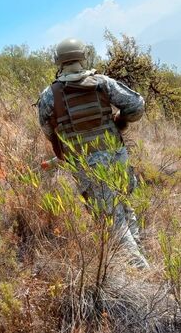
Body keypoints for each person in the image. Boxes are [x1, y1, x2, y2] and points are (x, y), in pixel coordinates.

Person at [37, 38, 149, 269]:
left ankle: (140, 269)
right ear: (82, 56)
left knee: (111, 219)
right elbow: (136, 105)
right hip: (117, 155)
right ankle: (137, 246)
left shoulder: (50, 95)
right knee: (123, 204)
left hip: (88, 166)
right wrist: (121, 121)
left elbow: (48, 129)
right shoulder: (103, 83)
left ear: (58, 61)